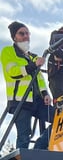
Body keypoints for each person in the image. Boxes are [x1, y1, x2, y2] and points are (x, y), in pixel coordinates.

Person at [1, 21, 54, 150]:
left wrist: (45, 93)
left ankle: (39, 147)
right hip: (20, 101)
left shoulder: (32, 56)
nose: (26, 36)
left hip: (37, 101)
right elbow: (13, 72)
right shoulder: (8, 51)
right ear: (14, 37)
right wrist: (33, 65)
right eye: (21, 33)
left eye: (27, 33)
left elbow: (40, 78)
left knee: (59, 118)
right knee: (24, 136)